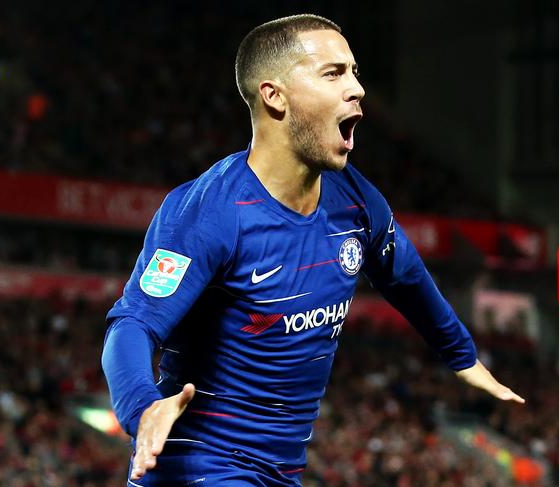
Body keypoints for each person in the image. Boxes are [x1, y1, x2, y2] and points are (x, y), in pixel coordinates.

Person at [101, 13, 525, 486]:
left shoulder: (355, 201)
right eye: (333, 73)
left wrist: (460, 355)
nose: (357, 88)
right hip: (198, 464)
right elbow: (133, 323)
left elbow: (404, 277)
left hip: (281, 472)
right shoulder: (210, 211)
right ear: (274, 95)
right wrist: (142, 410)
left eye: (355, 71)